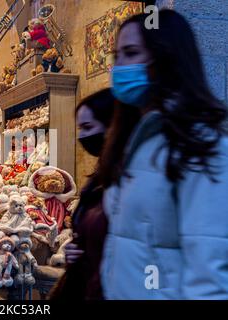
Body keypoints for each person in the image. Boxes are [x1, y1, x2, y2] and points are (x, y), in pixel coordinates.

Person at [99, 10, 228, 299]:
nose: (119, 68)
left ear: (167, 57)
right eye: (116, 56)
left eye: (131, 53)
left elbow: (210, 268)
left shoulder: (200, 145)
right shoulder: (135, 141)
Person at [49, 88, 115, 300]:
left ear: (112, 125)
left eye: (88, 127)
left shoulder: (128, 181)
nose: (83, 136)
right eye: (80, 128)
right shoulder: (98, 179)